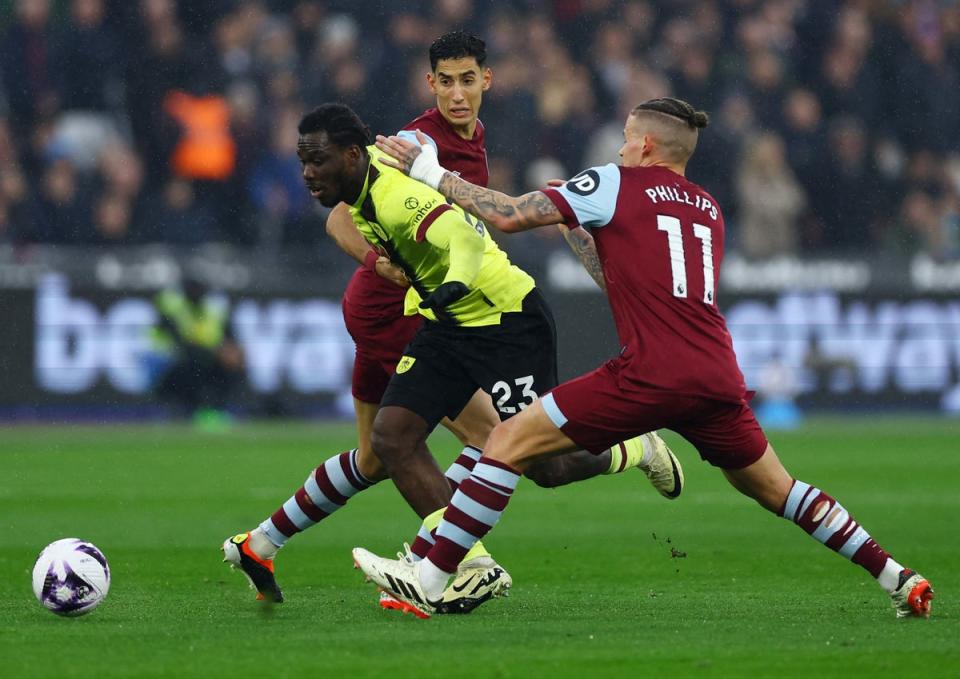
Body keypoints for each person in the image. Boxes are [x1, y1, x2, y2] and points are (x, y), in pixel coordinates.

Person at [353, 97, 934, 620]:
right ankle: (896, 577)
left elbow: (506, 215)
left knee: (503, 443)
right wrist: (575, 227)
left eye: (627, 138)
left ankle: (431, 579)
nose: (621, 147)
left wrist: (429, 172)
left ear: (646, 145)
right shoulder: (707, 208)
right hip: (715, 376)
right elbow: (624, 279)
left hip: (651, 373)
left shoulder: (616, 181)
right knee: (780, 490)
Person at [223, 33, 683, 613]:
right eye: (447, 82)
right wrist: (379, 264)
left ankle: (263, 543)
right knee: (492, 444)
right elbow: (340, 219)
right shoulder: (414, 147)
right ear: (431, 84)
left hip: (438, 312)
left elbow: (477, 226)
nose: (459, 94)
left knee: (381, 453)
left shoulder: (472, 141)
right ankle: (458, 565)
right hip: (406, 316)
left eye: (469, 80)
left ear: (487, 79)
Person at [147, 276, 244, 429]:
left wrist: (231, 352)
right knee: (194, 363)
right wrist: (214, 352)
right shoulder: (172, 310)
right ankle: (196, 410)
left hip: (202, 360)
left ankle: (215, 410)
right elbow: (180, 345)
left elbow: (230, 339)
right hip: (165, 366)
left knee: (232, 363)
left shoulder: (212, 311)